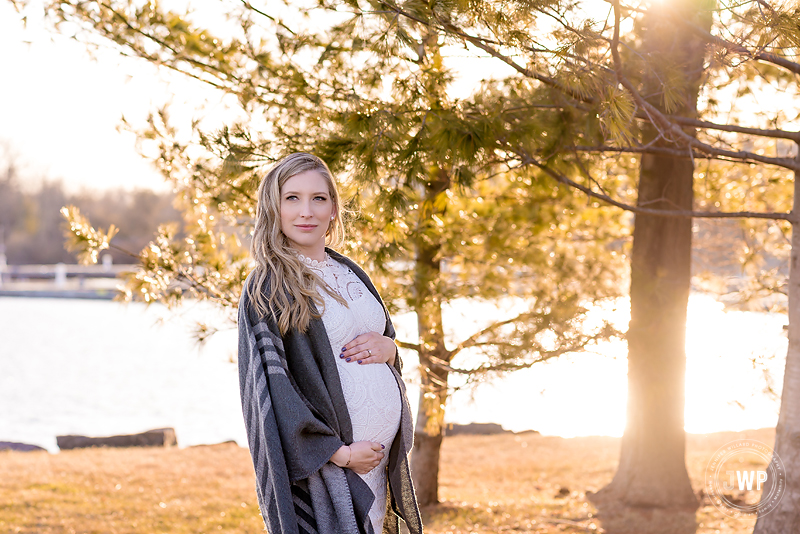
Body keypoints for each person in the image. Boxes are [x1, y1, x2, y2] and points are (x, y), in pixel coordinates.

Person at [237, 152, 423, 534]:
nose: (306, 211)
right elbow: (272, 392)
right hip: (334, 466)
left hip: (378, 464)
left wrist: (390, 349)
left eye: (318, 198)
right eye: (292, 198)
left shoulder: (351, 271)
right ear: (274, 206)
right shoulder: (268, 286)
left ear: (334, 207)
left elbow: (383, 343)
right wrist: (338, 453)